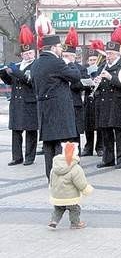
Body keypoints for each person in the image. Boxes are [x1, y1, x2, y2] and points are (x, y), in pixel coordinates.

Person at [31, 34, 81, 180]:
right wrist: (70, 63)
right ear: (53, 47)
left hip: (44, 110)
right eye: (59, 47)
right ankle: (62, 178)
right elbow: (75, 76)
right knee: (63, 144)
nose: (61, 49)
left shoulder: (36, 63)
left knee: (48, 145)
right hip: (59, 110)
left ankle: (50, 177)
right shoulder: (56, 62)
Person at [0, 25, 38, 166]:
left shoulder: (36, 65)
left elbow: (30, 81)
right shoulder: (19, 65)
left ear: (34, 53)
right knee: (16, 131)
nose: (28, 56)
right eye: (25, 54)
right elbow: (11, 82)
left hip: (30, 102)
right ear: (21, 55)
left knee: (30, 131)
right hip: (16, 102)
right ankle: (17, 157)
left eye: (30, 54)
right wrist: (4, 74)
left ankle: (29, 157)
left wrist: (15, 71)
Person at [94, 26, 121, 169]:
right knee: (106, 132)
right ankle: (108, 158)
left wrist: (110, 77)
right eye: (107, 53)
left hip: (118, 103)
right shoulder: (102, 66)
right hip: (104, 103)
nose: (108, 56)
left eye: (111, 54)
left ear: (117, 54)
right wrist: (95, 82)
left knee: (119, 132)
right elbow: (99, 84)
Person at [48, 142, 93, 230]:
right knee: (75, 209)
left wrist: (51, 189)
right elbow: (80, 183)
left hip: (57, 195)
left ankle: (53, 221)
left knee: (58, 209)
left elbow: (51, 180)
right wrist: (86, 189)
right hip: (71, 196)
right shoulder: (75, 168)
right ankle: (75, 223)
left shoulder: (55, 167)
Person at [62, 27, 87, 156]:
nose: (65, 58)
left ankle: (75, 155)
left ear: (74, 57)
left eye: (68, 56)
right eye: (64, 56)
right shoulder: (59, 66)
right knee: (64, 131)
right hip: (62, 104)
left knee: (75, 131)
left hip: (75, 103)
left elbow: (83, 84)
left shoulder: (80, 68)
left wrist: (72, 83)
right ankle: (66, 155)